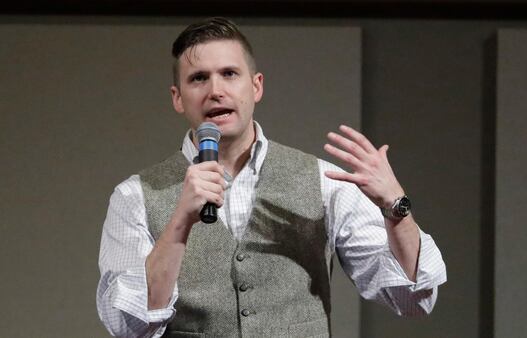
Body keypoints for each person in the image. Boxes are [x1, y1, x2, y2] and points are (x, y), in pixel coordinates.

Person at [96, 17, 446, 338]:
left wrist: (395, 208)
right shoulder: (135, 196)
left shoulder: (323, 181)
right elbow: (128, 328)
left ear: (256, 86)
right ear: (178, 98)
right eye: (198, 78)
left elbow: (412, 300)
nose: (215, 90)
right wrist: (179, 224)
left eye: (229, 73)